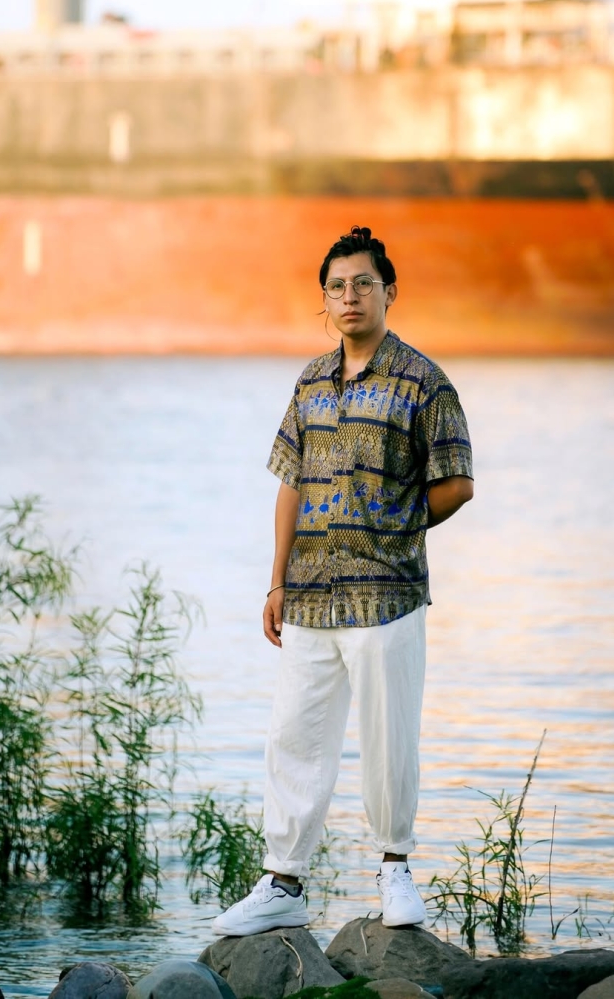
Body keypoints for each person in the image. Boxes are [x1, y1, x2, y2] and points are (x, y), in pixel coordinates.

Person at [212, 225, 474, 937]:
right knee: (294, 737)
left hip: (387, 595)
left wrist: (395, 526)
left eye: (363, 283)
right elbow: (290, 483)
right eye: (336, 286)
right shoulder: (309, 382)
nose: (350, 295)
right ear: (323, 300)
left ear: (390, 292)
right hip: (308, 597)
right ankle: (283, 882)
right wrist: (275, 583)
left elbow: (457, 483)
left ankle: (395, 870)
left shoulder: (424, 382)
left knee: (389, 739)